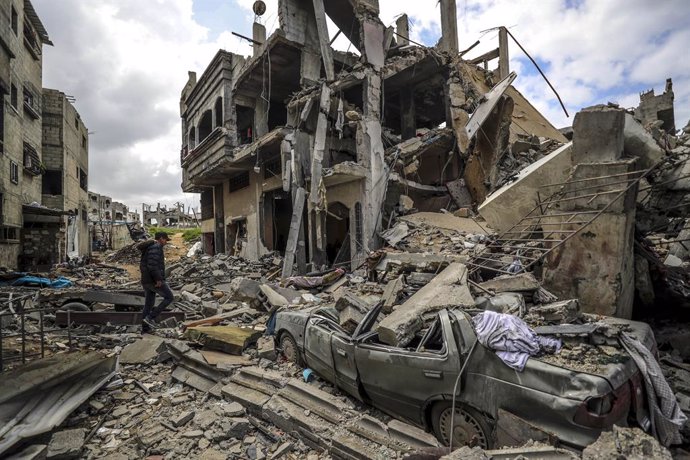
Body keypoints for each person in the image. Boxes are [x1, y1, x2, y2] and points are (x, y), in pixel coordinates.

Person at [138, 231, 174, 332]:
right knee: (169, 297)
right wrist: (158, 279)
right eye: (166, 239)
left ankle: (145, 328)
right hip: (153, 280)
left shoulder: (150, 247)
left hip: (146, 280)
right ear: (161, 238)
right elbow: (152, 265)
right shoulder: (156, 247)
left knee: (149, 304)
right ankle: (149, 318)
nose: (166, 242)